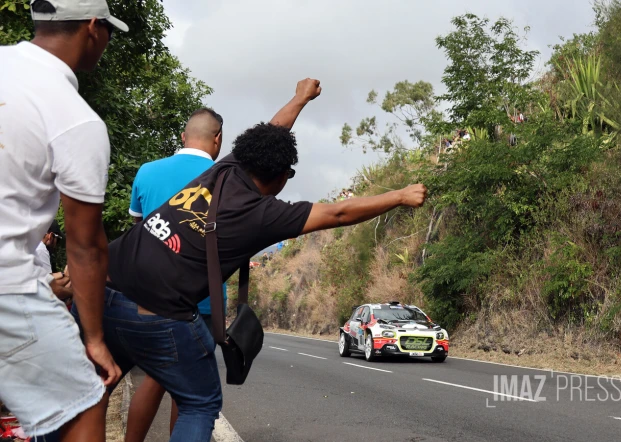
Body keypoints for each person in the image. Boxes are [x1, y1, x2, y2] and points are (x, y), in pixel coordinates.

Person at [72, 122, 427, 442]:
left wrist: (300, 98)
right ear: (280, 177)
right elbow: (338, 212)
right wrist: (399, 196)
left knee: (91, 392)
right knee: (199, 403)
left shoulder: (222, 169)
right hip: (159, 313)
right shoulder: (265, 214)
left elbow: (272, 129)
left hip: (98, 293)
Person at [123, 78, 321, 442]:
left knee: (153, 377)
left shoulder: (147, 172)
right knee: (190, 390)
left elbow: (140, 229)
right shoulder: (227, 173)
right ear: (218, 140)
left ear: (184, 135)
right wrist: (301, 98)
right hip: (202, 299)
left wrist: (299, 97)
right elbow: (272, 135)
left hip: (145, 293)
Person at [0, 0, 127, 440]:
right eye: (109, 31)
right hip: (8, 289)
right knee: (86, 402)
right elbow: (86, 245)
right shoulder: (76, 119)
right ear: (93, 27)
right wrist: (93, 338)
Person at [35, 220, 74, 304]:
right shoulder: (41, 249)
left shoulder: (34, 244)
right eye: (57, 239)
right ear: (51, 235)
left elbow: (47, 277)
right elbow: (49, 287)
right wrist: (68, 278)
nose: (56, 243)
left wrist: (64, 274)